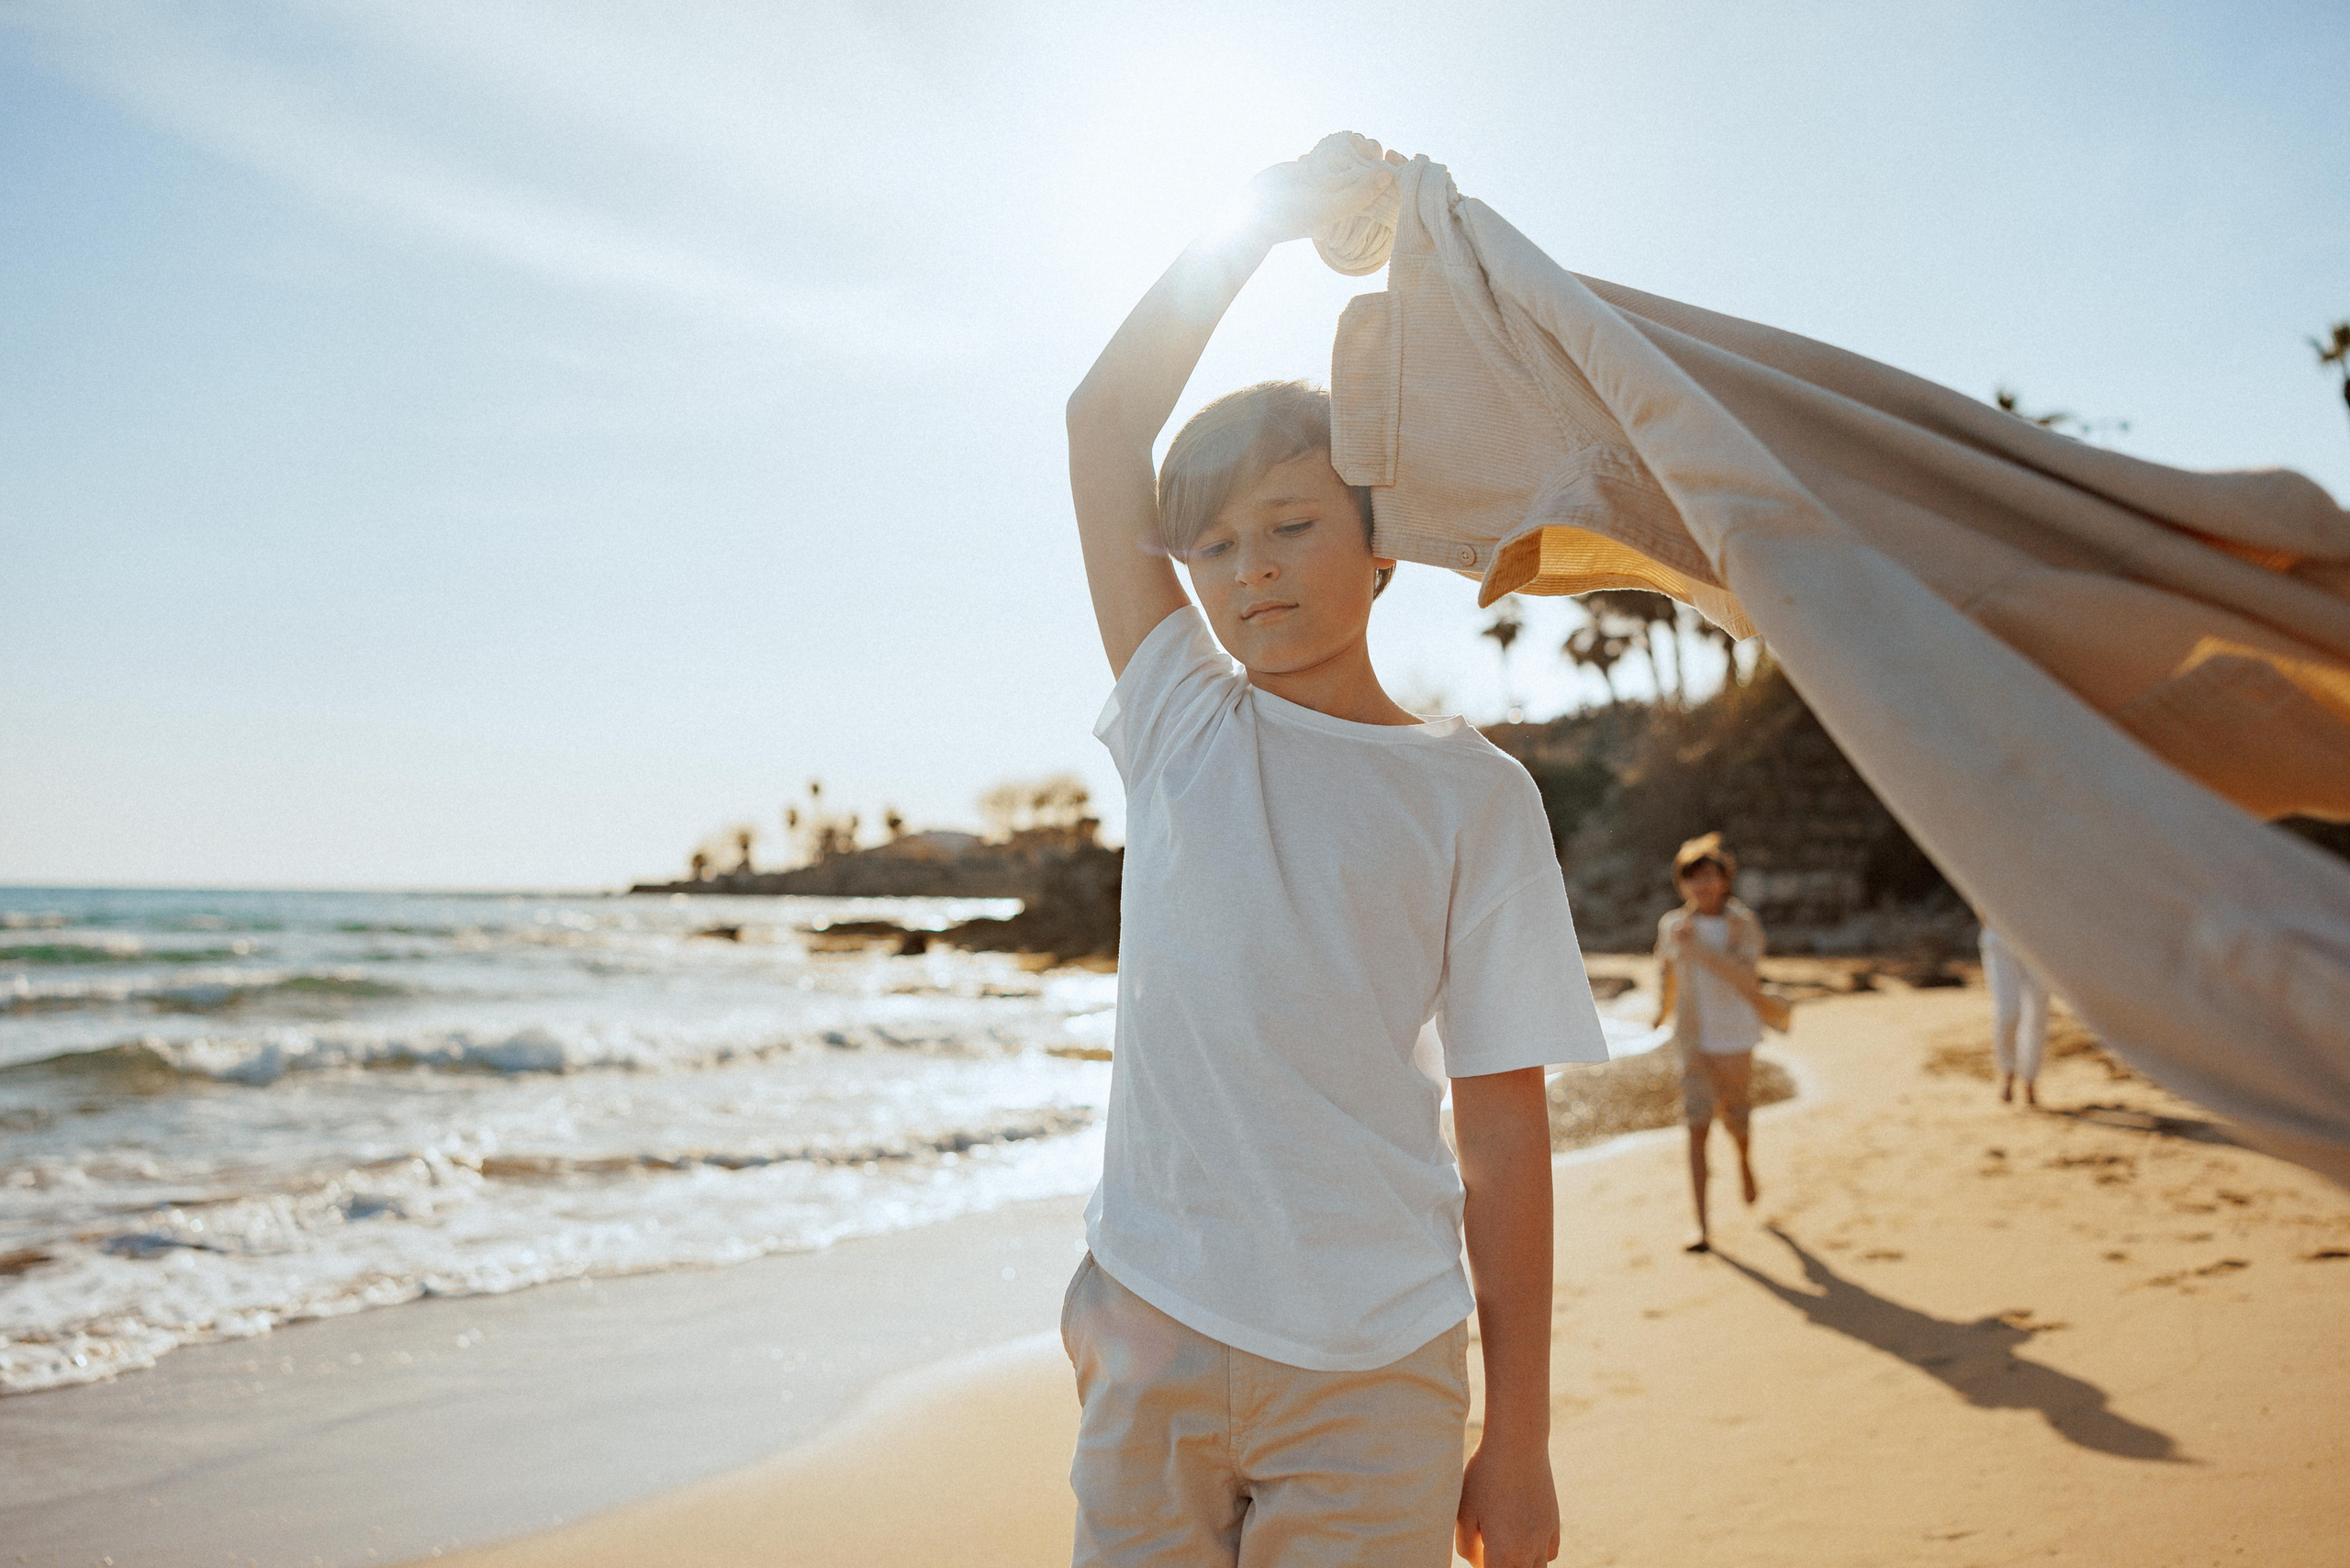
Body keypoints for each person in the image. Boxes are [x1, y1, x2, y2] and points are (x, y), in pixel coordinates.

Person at [1061, 143, 1609, 1568]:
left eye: (1292, 526)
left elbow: (1501, 1133)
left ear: (1379, 544)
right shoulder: (1183, 718)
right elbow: (1102, 416)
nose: (1249, 570)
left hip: (1376, 1371)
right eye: (1218, 546)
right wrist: (1262, 219)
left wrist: (1525, 1435)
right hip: (1150, 1332)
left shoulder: (1473, 799)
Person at [1653, 834, 1774, 1254]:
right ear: (1682, 884)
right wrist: (1659, 1013)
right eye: (1692, 878)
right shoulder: (1672, 925)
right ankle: (1702, 1227)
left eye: (1709, 876)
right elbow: (1666, 973)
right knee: (1696, 1125)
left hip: (1736, 1036)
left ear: (1724, 880)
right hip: (1693, 1040)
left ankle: (1743, 1159)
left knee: (1737, 1118)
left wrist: (1699, 949)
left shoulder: (1743, 924)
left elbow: (1746, 977)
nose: (1701, 885)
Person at [1978, 925, 2051, 1107]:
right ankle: (2008, 1071)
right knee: (2008, 1012)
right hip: (1999, 938)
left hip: (2039, 939)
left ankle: (2030, 1080)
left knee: (2037, 1015)